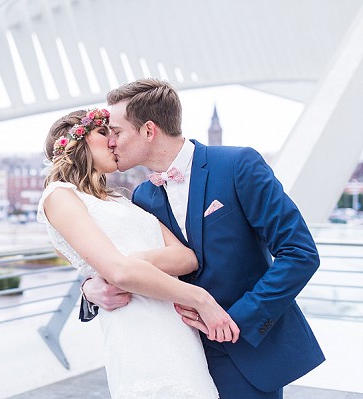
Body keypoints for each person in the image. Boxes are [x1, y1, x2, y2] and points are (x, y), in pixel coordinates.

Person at [82, 78, 323, 398]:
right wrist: (90, 290)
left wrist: (237, 320)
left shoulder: (239, 166)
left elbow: (299, 252)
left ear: (149, 130)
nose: (110, 141)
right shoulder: (142, 196)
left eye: (117, 131)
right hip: (174, 358)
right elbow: (121, 263)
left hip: (242, 352)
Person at [38, 108, 227, 398]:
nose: (113, 140)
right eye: (103, 133)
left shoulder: (124, 200)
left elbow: (186, 258)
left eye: (114, 132)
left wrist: (129, 264)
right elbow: (118, 272)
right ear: (75, 144)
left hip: (178, 331)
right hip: (138, 333)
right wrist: (200, 299)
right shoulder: (60, 195)